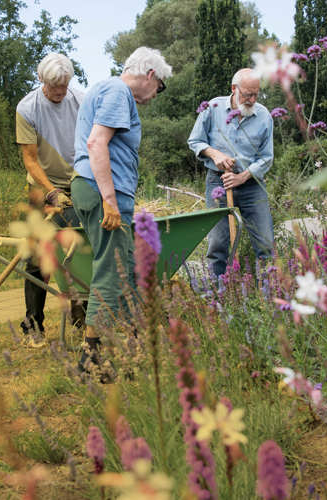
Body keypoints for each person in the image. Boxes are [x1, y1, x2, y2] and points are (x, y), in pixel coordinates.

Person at [70, 46, 171, 373]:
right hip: (102, 193)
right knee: (111, 269)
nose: (157, 95)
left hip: (99, 191)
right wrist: (110, 202)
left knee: (124, 265)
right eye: (160, 87)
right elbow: (96, 143)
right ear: (151, 75)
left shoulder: (107, 90)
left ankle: (131, 345)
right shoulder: (117, 91)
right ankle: (91, 356)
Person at [15, 53, 85, 343]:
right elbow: (30, 160)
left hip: (78, 185)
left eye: (64, 85)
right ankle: (33, 326)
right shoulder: (27, 108)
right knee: (36, 259)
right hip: (42, 188)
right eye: (54, 86)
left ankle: (83, 321)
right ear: (40, 79)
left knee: (79, 256)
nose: (60, 92)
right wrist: (51, 191)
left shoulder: (81, 100)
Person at [187, 68, 275, 278]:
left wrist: (243, 176)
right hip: (218, 183)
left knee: (265, 242)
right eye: (247, 94)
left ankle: (269, 294)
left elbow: (267, 157)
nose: (252, 99)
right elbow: (195, 141)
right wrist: (214, 154)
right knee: (218, 243)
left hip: (252, 184)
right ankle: (218, 294)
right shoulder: (212, 108)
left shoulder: (264, 116)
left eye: (256, 94)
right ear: (234, 89)